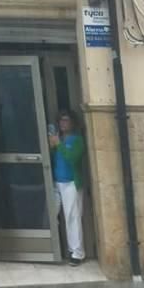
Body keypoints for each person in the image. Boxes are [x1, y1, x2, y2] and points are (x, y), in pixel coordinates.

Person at [49, 111, 86, 265]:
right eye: (61, 120)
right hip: (56, 183)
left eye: (66, 120)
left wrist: (59, 145)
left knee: (72, 217)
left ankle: (76, 253)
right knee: (51, 215)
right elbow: (51, 159)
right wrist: (52, 145)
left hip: (71, 183)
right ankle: (52, 250)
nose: (63, 123)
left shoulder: (77, 140)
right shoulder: (58, 138)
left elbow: (72, 158)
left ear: (72, 122)